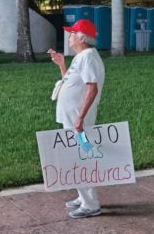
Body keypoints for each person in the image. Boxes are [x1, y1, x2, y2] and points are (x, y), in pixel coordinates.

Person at [47, 19, 105, 219]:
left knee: (81, 159)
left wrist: (80, 118)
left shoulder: (87, 57)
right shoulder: (82, 56)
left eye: (72, 33)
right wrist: (62, 65)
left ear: (81, 37)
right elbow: (71, 83)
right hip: (73, 119)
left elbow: (92, 87)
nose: (69, 36)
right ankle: (83, 197)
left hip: (78, 122)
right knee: (77, 157)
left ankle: (90, 204)